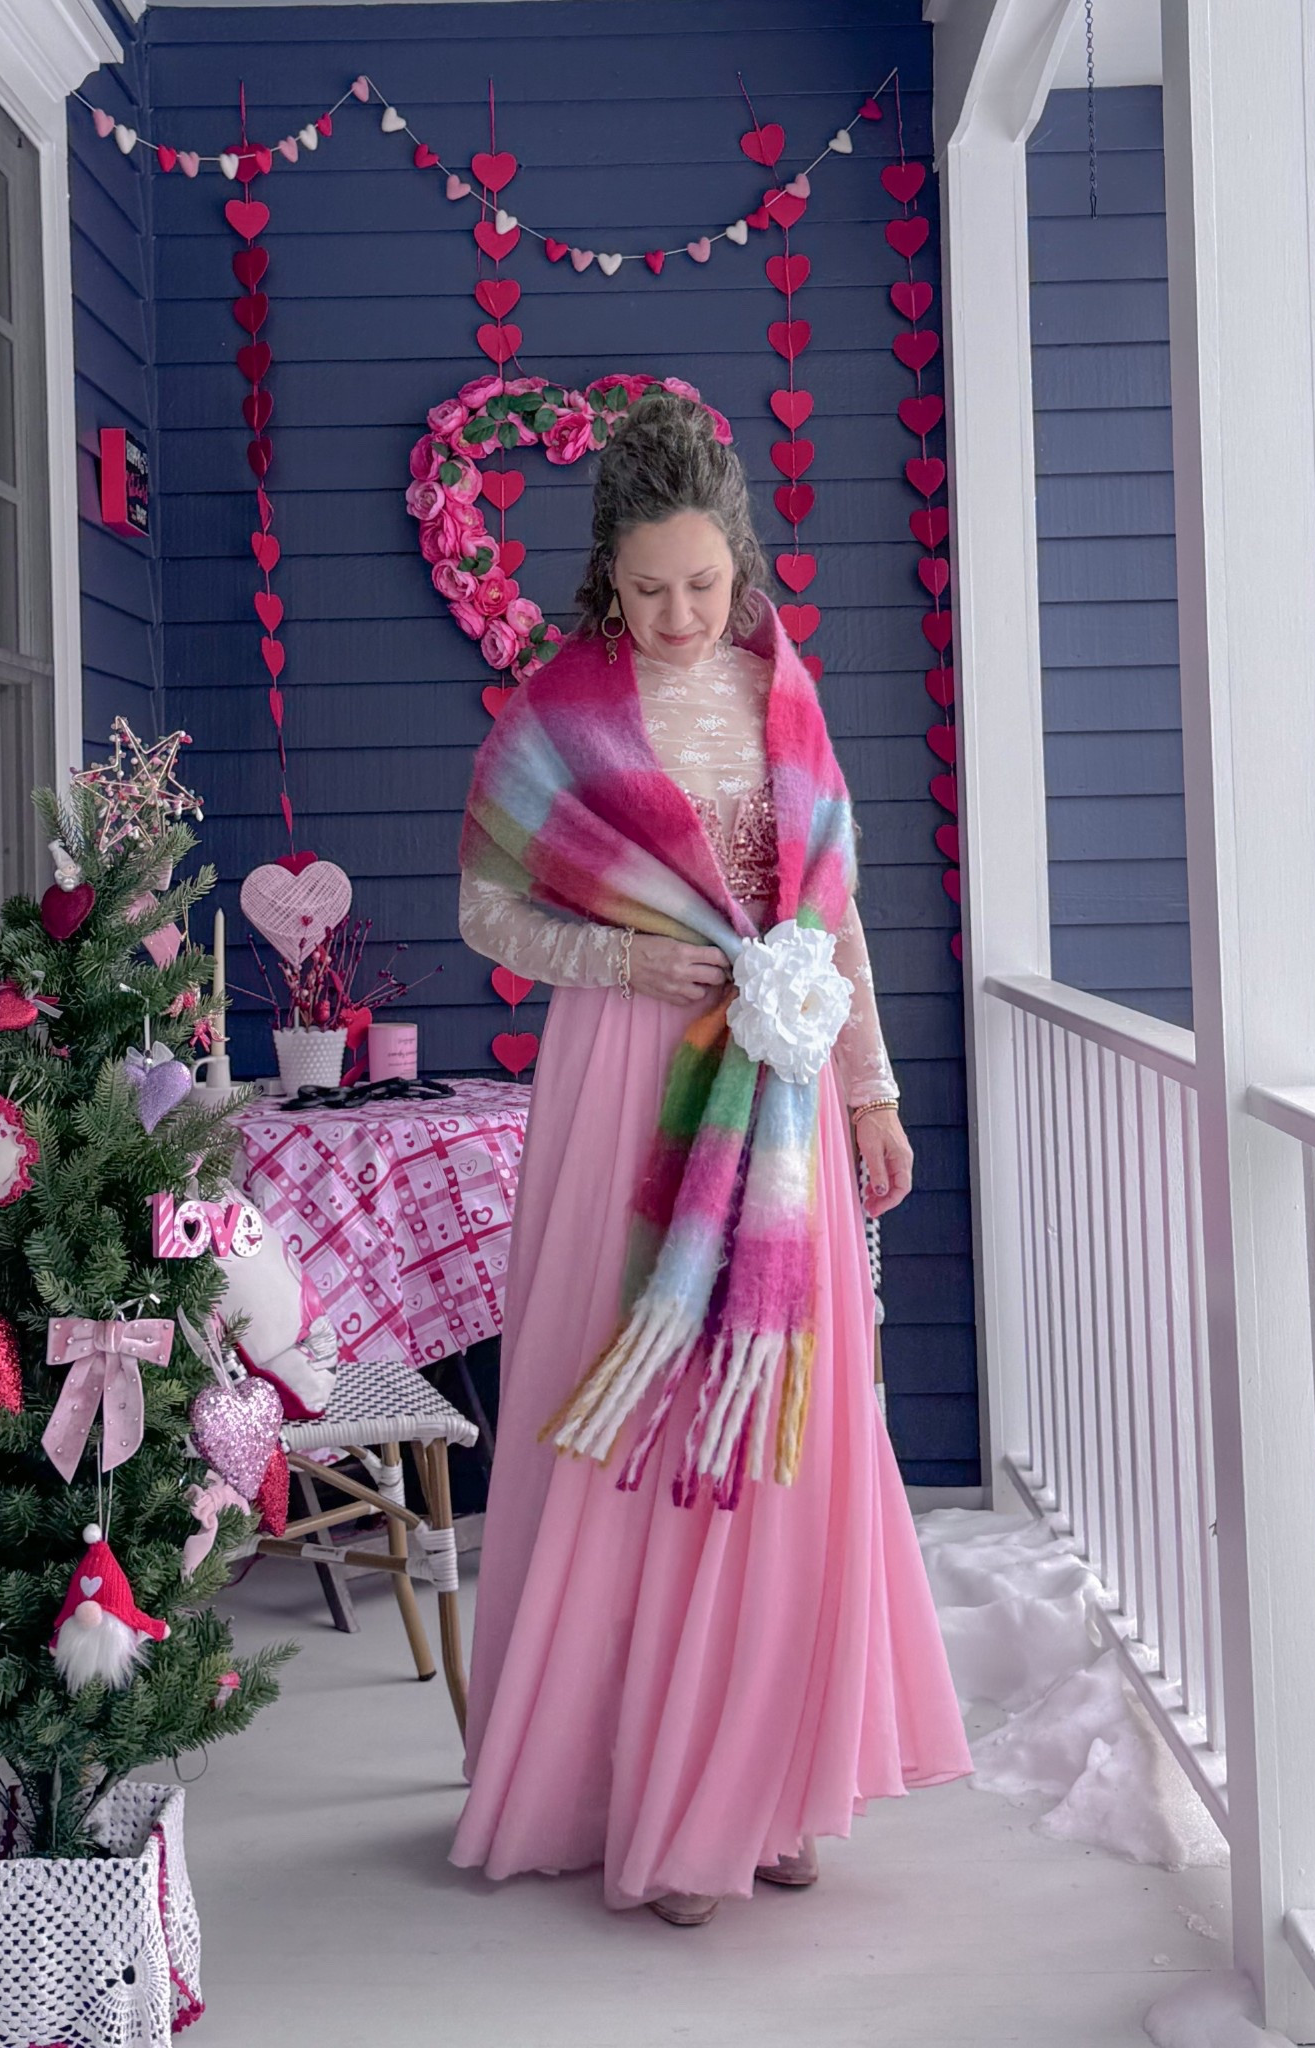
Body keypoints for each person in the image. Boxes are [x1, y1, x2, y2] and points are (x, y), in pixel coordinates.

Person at [452, 393, 971, 1926]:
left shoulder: (786, 699)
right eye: (647, 587)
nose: (678, 614)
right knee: (644, 1417)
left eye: (701, 583)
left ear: (740, 565)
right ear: (603, 577)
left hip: (783, 1104)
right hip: (627, 1091)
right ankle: (655, 1800)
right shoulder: (557, 716)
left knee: (781, 1432)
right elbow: (488, 913)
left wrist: (873, 1096)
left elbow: (834, 918)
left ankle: (768, 1788)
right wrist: (619, 961)